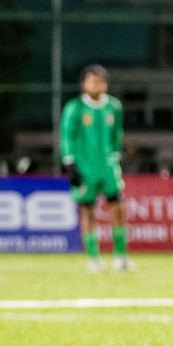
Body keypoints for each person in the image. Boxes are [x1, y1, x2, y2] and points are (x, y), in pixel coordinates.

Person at [61, 64, 133, 272]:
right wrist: (69, 163)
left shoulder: (114, 106)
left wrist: (117, 156)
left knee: (119, 208)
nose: (97, 85)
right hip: (85, 170)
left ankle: (121, 258)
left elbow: (117, 134)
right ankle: (94, 259)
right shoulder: (75, 107)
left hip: (108, 168)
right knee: (88, 211)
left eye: (101, 81)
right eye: (93, 81)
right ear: (84, 84)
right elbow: (67, 136)